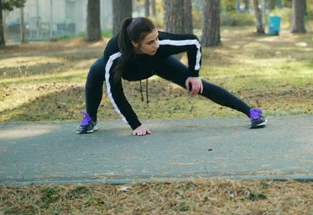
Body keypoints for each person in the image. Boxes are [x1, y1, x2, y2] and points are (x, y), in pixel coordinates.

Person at [77, 17, 267, 135]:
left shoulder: (160, 45)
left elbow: (193, 42)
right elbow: (115, 93)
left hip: (158, 64)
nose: (157, 44)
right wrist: (136, 125)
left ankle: (251, 112)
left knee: (200, 85)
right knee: (94, 72)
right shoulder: (114, 53)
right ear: (135, 43)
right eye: (150, 42)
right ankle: (90, 119)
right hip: (128, 70)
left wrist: (194, 74)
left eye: (157, 38)